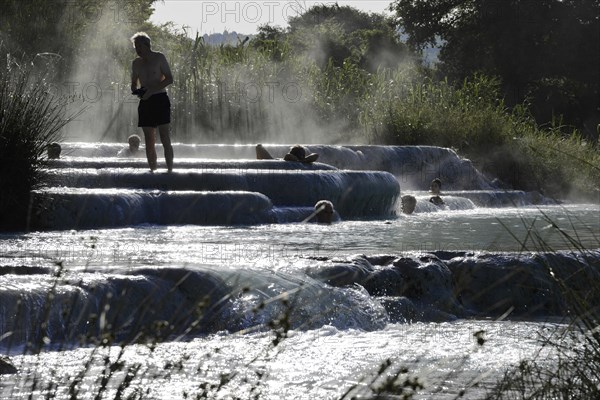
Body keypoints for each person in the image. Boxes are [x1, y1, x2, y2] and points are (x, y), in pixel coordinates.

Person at [130, 32, 174, 172]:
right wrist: (135, 90)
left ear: (146, 45)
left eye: (138, 46)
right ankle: (152, 172)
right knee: (149, 140)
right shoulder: (136, 63)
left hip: (160, 99)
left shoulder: (159, 57)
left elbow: (169, 79)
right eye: (135, 47)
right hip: (145, 101)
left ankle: (170, 171)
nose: (137, 49)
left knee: (164, 137)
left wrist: (152, 90)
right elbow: (133, 82)